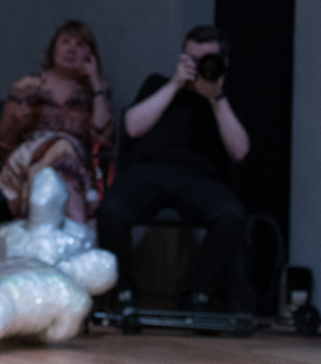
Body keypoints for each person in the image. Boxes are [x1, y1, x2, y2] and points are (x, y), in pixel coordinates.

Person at [97, 26, 251, 311]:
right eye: (192, 59)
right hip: (146, 172)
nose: (198, 66)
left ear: (223, 63)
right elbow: (132, 127)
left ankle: (196, 294)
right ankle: (124, 294)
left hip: (197, 178)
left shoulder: (223, 98)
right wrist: (175, 84)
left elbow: (239, 151)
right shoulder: (157, 83)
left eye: (207, 60)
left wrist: (216, 97)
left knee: (231, 215)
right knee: (111, 211)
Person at [0, 20, 113, 223]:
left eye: (80, 45)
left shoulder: (97, 91)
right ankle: (76, 228)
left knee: (63, 152)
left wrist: (95, 84)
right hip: (27, 159)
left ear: (89, 56)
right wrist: (17, 121)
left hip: (74, 163)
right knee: (61, 149)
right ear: (53, 48)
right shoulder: (28, 86)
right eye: (65, 42)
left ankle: (43, 229)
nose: (71, 49)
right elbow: (2, 142)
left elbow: (102, 137)